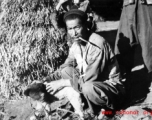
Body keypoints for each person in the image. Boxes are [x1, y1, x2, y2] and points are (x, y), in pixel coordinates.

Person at [44, 9, 126, 119]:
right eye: (70, 29)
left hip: (110, 89)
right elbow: (65, 66)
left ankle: (106, 110)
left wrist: (62, 83)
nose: (74, 33)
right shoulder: (76, 44)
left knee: (87, 87)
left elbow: (90, 78)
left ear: (86, 25)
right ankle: (88, 102)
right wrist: (46, 79)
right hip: (92, 83)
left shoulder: (97, 44)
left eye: (77, 27)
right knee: (66, 71)